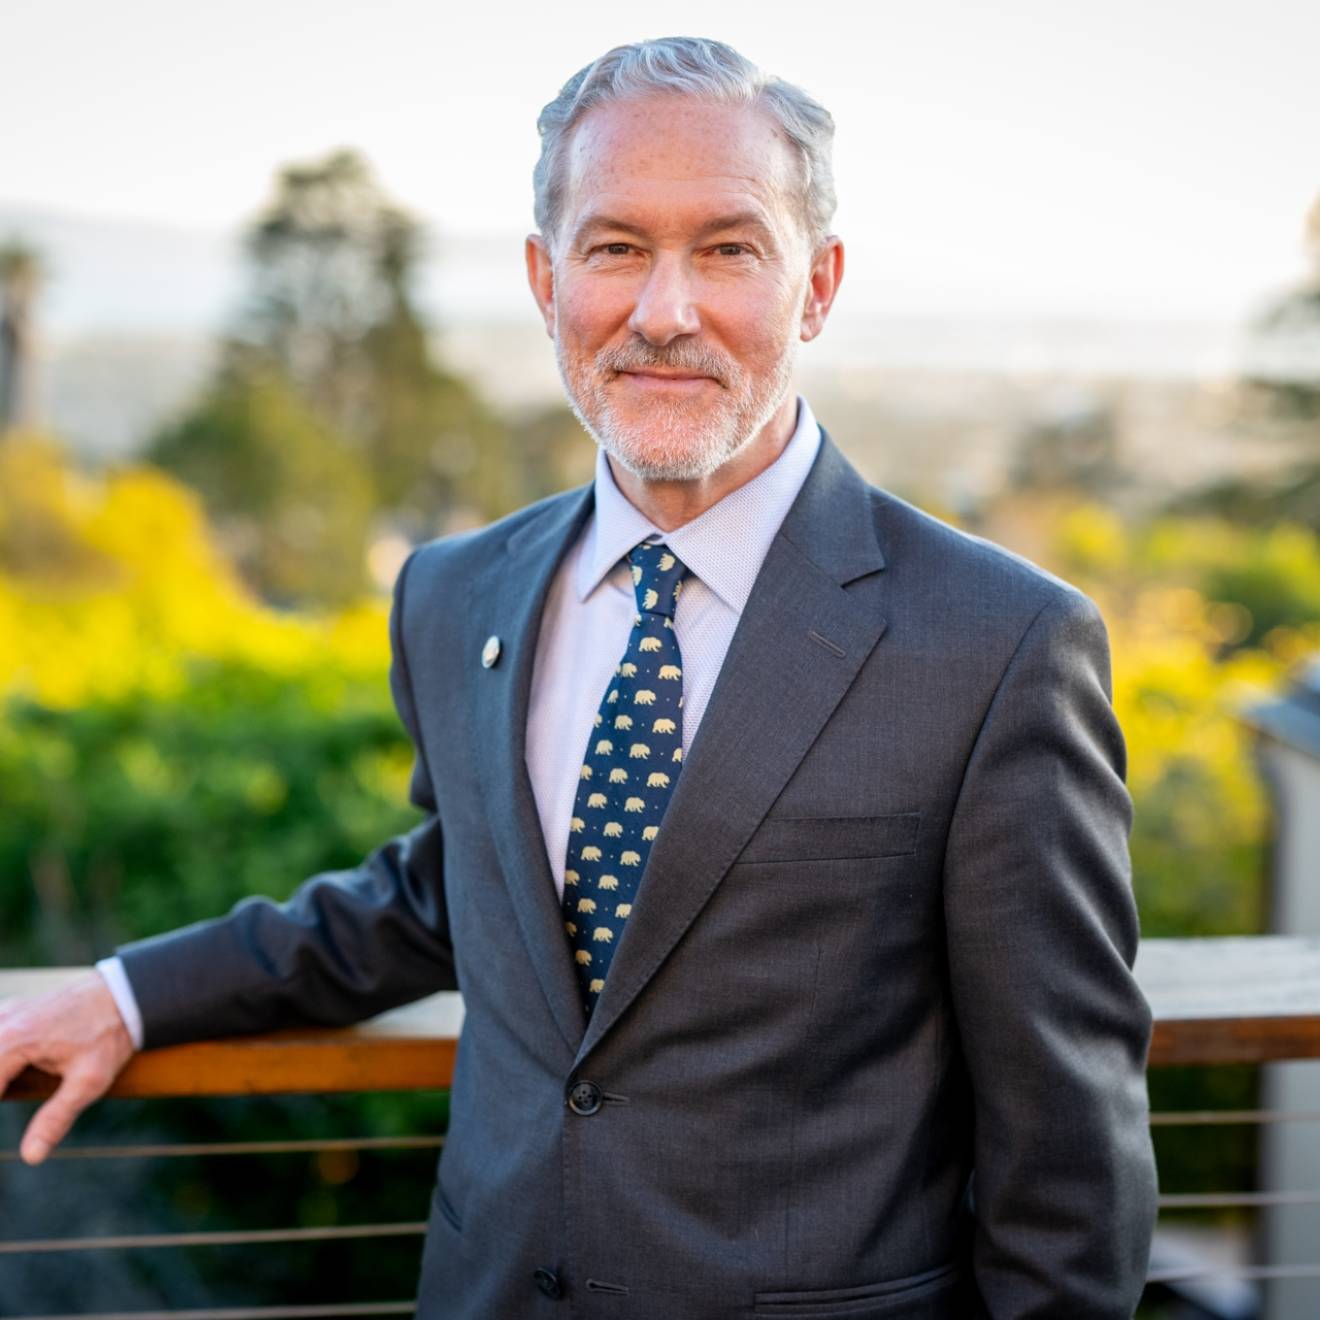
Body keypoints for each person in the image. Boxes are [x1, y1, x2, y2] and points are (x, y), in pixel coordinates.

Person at [0, 36, 1158, 1319]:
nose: (664, 310)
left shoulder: (997, 643)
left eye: (728, 249)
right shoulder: (452, 595)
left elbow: (1068, 1158)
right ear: (548, 279)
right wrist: (126, 997)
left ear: (817, 284)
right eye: (615, 248)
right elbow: (447, 898)